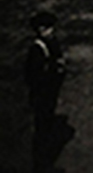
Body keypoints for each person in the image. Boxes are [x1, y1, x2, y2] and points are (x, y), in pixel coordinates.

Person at [25, 10, 68, 173]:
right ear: (41, 30)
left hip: (49, 95)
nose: (52, 31)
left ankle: (46, 163)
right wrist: (54, 71)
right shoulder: (36, 50)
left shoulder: (51, 44)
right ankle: (41, 166)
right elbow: (33, 77)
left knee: (47, 129)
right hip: (41, 97)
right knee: (42, 131)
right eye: (49, 29)